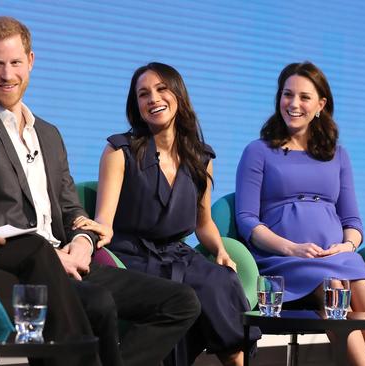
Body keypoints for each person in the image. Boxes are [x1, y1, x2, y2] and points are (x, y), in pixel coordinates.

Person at [0, 16, 200, 366]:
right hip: (14, 265)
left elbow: (72, 208)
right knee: (98, 302)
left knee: (181, 302)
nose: (7, 74)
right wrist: (44, 252)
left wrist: (83, 243)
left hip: (69, 259)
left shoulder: (50, 133)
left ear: (31, 61)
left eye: (15, 62)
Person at [84, 62, 259, 366]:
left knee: (223, 282)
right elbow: (105, 220)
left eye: (161, 89)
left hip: (176, 254)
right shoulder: (119, 150)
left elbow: (203, 224)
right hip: (132, 256)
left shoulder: (200, 158)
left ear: (178, 95)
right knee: (188, 291)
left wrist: (219, 250)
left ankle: (236, 359)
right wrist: (90, 237)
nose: (153, 98)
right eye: (143, 94)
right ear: (136, 105)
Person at [235, 62, 365, 366]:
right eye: (287, 94)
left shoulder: (338, 155)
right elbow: (246, 219)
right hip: (283, 260)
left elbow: (353, 222)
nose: (293, 104)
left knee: (362, 284)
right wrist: (290, 247)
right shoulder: (257, 151)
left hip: (335, 257)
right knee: (335, 287)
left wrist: (347, 246)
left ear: (321, 104)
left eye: (304, 97)